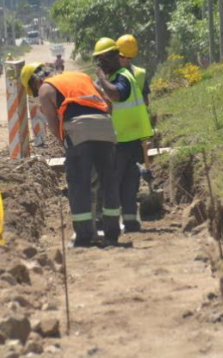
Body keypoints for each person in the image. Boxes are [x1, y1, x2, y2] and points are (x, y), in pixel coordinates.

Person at [20, 62, 122, 247]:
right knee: (108, 181)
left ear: (35, 81)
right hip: (105, 124)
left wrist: (66, 143)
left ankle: (84, 236)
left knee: (79, 184)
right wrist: (103, 127)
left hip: (78, 129)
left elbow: (52, 123)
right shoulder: (81, 77)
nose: (37, 93)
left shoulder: (45, 88)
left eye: (34, 90)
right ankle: (112, 232)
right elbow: (108, 102)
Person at [93, 37, 153, 233]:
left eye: (101, 61)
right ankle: (130, 221)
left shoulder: (122, 77)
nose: (100, 65)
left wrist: (101, 78)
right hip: (128, 139)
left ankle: (105, 223)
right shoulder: (119, 75)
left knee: (111, 182)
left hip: (121, 140)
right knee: (128, 181)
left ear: (112, 58)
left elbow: (117, 95)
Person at [117, 34, 154, 182]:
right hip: (137, 125)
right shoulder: (139, 73)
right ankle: (139, 172)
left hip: (120, 128)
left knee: (125, 161)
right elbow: (145, 101)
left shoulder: (112, 75)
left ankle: (136, 174)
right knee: (134, 157)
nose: (125, 60)